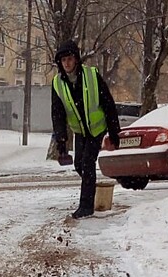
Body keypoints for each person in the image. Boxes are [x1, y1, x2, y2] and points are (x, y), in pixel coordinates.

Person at [51, 40, 121, 219]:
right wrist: (60, 139)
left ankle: (86, 207)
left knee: (88, 163)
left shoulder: (91, 75)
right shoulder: (58, 83)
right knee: (79, 165)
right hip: (80, 131)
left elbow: (108, 102)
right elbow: (57, 113)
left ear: (76, 59)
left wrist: (114, 132)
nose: (66, 63)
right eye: (63, 60)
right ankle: (91, 188)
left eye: (69, 59)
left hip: (96, 129)